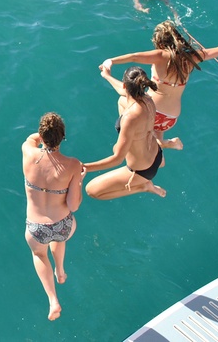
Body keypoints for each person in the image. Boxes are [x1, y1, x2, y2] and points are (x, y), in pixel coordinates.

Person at [102, 21, 218, 150]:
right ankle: (163, 142)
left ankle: (131, 138)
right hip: (170, 119)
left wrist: (111, 61)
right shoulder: (191, 57)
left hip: (153, 113)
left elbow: (134, 56)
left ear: (159, 42)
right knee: (156, 127)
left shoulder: (161, 55)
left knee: (123, 100)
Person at [22, 112, 85, 321]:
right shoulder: (73, 165)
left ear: (42, 134)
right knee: (59, 237)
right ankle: (60, 270)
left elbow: (30, 139)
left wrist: (42, 136)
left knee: (40, 255)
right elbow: (73, 205)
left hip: (36, 229)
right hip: (63, 225)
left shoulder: (28, 153)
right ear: (63, 137)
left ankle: (53, 300)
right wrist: (79, 182)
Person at [84, 66, 166, 200]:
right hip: (156, 154)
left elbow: (117, 159)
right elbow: (122, 92)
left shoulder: (130, 118)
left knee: (92, 190)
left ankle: (143, 187)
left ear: (125, 85)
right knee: (122, 100)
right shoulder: (148, 99)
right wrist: (107, 76)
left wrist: (85, 167)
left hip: (142, 171)